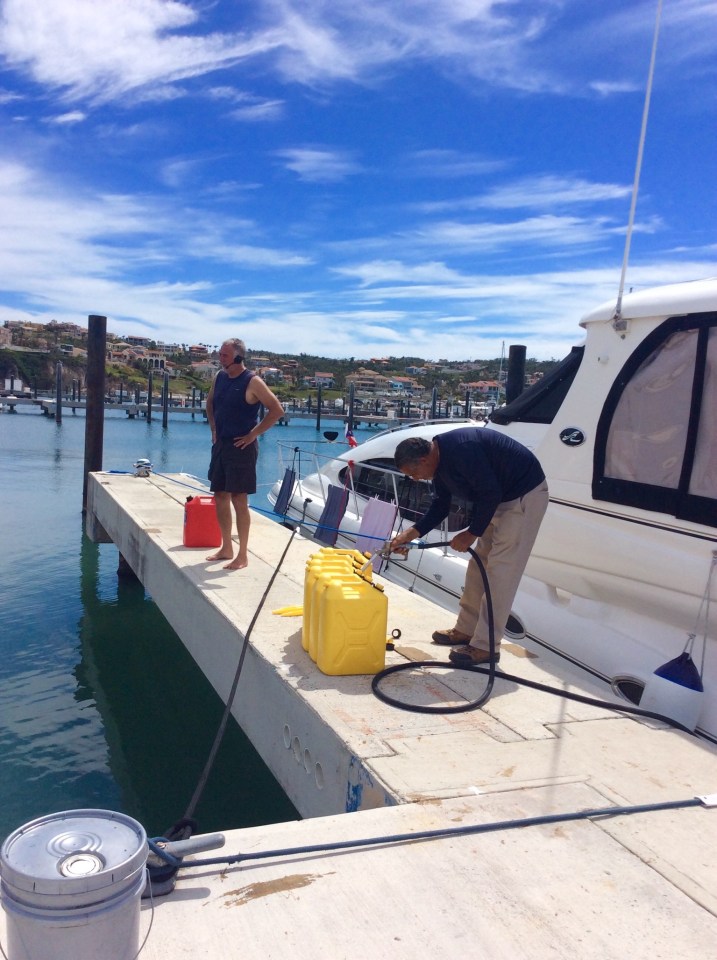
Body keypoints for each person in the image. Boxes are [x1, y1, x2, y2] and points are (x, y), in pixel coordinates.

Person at [389, 427, 548, 666]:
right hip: (499, 499)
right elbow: (441, 505)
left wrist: (472, 532)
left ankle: (486, 647)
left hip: (522, 497)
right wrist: (411, 533)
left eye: (413, 473)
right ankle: (466, 630)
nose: (415, 478)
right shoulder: (439, 463)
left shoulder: (461, 451)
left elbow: (490, 491)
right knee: (477, 568)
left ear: (423, 460)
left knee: (500, 575)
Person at [205, 338, 284, 570]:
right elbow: (210, 403)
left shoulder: (253, 381)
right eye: (220, 355)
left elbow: (276, 410)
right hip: (221, 444)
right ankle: (226, 547)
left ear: (238, 357)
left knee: (239, 499)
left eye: (225, 356)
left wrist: (253, 434)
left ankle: (242, 555)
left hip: (242, 447)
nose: (221, 359)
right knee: (220, 494)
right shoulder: (219, 378)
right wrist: (213, 429)